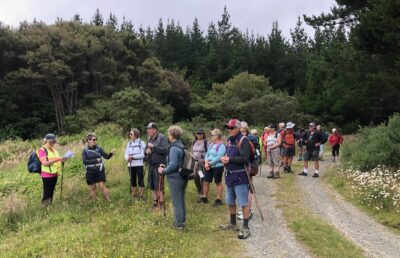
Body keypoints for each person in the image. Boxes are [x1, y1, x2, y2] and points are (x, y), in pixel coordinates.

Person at [220, 119, 252, 239]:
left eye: (232, 128)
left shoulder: (244, 140)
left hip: (240, 176)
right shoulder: (229, 140)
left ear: (238, 128)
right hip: (229, 175)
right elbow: (230, 155)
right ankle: (233, 224)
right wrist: (225, 159)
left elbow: (245, 159)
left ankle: (246, 227)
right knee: (230, 201)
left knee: (243, 202)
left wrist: (230, 160)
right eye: (228, 128)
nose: (229, 130)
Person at [158, 125, 187, 230]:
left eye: (169, 134)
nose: (168, 136)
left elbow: (173, 165)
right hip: (183, 176)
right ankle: (182, 221)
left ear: (172, 135)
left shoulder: (174, 148)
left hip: (175, 178)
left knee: (176, 202)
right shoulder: (181, 146)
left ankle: (179, 225)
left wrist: (163, 170)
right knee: (181, 200)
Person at [82, 133, 115, 201]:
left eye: (96, 139)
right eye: (93, 140)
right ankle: (94, 203)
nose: (95, 141)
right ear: (89, 140)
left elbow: (107, 157)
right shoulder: (85, 151)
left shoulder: (99, 148)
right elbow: (85, 161)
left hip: (99, 169)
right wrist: (95, 160)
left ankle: (108, 200)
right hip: (90, 170)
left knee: (102, 185)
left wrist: (111, 153)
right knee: (93, 188)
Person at [38, 134, 65, 207]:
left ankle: (49, 206)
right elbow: (45, 163)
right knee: (47, 192)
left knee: (51, 191)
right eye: (51, 142)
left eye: (54, 141)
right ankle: (44, 207)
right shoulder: (42, 150)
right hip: (47, 175)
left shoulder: (54, 150)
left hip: (55, 173)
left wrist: (62, 160)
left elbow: (56, 160)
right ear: (46, 141)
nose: (53, 143)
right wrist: (57, 159)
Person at [146, 122, 169, 209]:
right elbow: (146, 150)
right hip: (151, 165)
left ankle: (161, 203)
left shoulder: (162, 137)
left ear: (155, 129)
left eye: (150, 129)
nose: (148, 131)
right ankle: (155, 202)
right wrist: (146, 151)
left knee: (159, 185)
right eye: (147, 129)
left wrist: (154, 147)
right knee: (152, 185)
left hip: (159, 165)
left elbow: (165, 150)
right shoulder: (149, 138)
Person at [204, 128, 226, 206]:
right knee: (206, 181)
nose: (211, 136)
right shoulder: (211, 144)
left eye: (212, 135)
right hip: (208, 166)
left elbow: (219, 157)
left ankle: (218, 199)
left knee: (218, 182)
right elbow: (207, 155)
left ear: (217, 136)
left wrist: (209, 164)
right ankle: (204, 197)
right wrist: (206, 163)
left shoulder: (222, 145)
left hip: (217, 167)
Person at [124, 128, 146, 200]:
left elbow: (144, 155)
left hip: (139, 164)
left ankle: (141, 196)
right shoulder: (129, 143)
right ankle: (134, 195)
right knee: (132, 180)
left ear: (136, 135)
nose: (129, 135)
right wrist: (128, 158)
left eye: (131, 134)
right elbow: (125, 154)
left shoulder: (141, 143)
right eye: (129, 134)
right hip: (130, 165)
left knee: (140, 180)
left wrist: (133, 157)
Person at [192, 128, 208, 203]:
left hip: (202, 163)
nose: (199, 135)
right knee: (195, 177)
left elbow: (209, 152)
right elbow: (192, 151)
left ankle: (202, 193)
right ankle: (199, 189)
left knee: (202, 177)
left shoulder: (205, 142)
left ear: (203, 134)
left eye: (201, 133)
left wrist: (206, 161)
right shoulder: (194, 142)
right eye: (198, 133)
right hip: (195, 163)